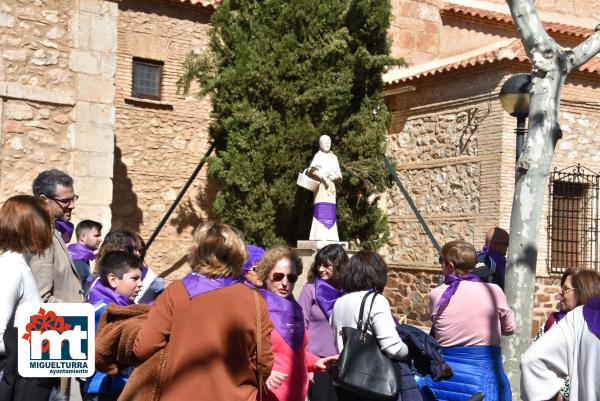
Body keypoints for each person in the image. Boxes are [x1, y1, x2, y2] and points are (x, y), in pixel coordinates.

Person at [132, 222, 274, 401]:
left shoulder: (176, 291)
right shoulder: (254, 300)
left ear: (197, 253)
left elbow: (143, 347)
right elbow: (264, 363)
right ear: (239, 256)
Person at [417, 240, 516, 401]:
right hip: (484, 379)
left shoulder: (436, 295)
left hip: (443, 380)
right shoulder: (494, 291)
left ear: (450, 265)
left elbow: (440, 327)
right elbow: (510, 328)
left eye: (441, 262)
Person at [255, 247, 337, 401]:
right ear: (265, 276)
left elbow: (297, 351)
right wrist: (263, 373)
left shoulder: (295, 308)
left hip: (297, 393)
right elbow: (241, 354)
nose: (285, 283)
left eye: (291, 278)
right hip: (270, 394)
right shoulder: (257, 308)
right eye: (278, 276)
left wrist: (315, 361)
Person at [0, 195, 61, 400]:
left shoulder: (20, 267)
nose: (50, 230)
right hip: (17, 385)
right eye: (46, 223)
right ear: (32, 227)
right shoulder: (11, 269)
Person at [330, 250, 409, 401]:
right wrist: (408, 350)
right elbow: (392, 347)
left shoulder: (339, 302)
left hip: (344, 380)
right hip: (372, 384)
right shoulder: (376, 300)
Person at [84, 251, 143, 401]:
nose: (140, 284)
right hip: (103, 391)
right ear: (113, 280)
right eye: (134, 278)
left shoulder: (126, 308)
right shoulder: (101, 312)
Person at [533, 268, 600, 400]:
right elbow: (534, 356)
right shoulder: (552, 321)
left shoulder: (592, 329)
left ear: (582, 292)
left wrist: (565, 392)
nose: (561, 293)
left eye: (566, 289)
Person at [298, 244, 347, 401]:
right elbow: (300, 327)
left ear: (339, 266)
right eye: (319, 264)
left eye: (326, 265)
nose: (320, 269)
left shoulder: (348, 291)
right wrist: (308, 364)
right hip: (318, 362)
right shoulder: (310, 289)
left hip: (344, 361)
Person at [30, 169, 83, 303]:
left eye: (73, 199)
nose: (72, 206)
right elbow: (41, 297)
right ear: (43, 200)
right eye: (65, 201)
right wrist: (79, 313)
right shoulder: (41, 234)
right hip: (59, 322)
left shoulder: (52, 230)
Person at [306, 135, 343, 242]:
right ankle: (319, 235)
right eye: (324, 142)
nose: (326, 144)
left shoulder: (334, 157)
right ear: (321, 145)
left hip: (331, 188)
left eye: (328, 142)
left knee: (330, 211)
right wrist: (323, 178)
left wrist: (333, 177)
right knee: (322, 209)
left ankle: (330, 236)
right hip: (321, 187)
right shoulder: (318, 156)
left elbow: (339, 175)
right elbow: (311, 171)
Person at [68, 219, 103, 288]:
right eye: (96, 235)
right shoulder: (77, 260)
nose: (100, 239)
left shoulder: (82, 257)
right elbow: (76, 291)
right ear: (83, 237)